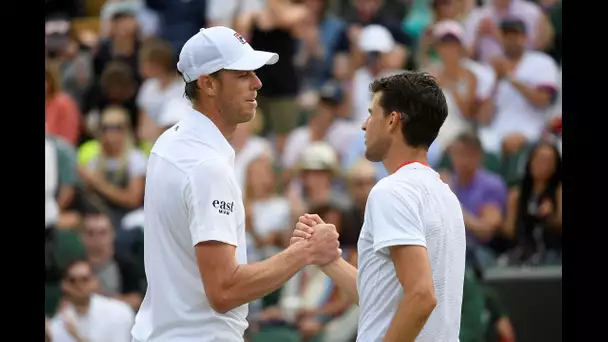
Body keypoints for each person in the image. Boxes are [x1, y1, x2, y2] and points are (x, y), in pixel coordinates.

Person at [131, 26, 341, 342]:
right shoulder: (206, 166)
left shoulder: (170, 143)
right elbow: (224, 290)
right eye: (242, 75)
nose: (257, 83)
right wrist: (306, 251)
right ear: (208, 84)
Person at [293, 72, 467, 341]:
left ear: (392, 120)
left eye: (372, 113)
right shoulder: (446, 196)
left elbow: (421, 296)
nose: (364, 125)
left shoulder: (391, 191)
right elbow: (383, 301)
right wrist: (330, 261)